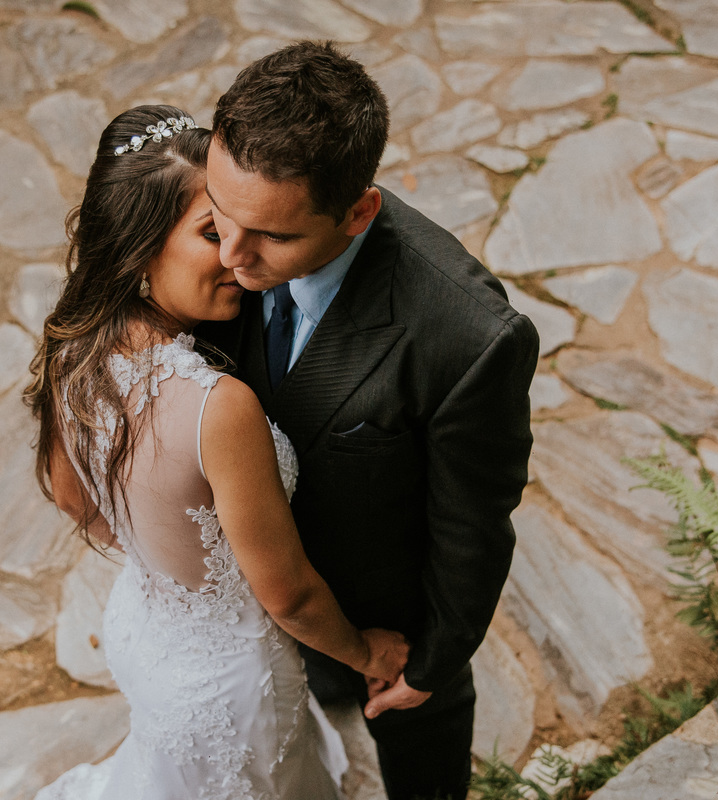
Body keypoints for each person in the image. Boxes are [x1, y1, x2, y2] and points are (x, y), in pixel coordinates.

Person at [25, 104, 410, 800]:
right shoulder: (217, 407)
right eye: (213, 233)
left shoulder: (73, 344)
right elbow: (286, 591)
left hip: (147, 632)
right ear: (142, 246)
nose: (238, 252)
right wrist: (366, 652)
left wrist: (164, 560)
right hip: (232, 681)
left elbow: (72, 496)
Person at [197, 42, 540, 800]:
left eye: (275, 237)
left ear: (359, 212)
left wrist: (429, 668)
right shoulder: (222, 223)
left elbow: (472, 526)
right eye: (219, 218)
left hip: (385, 620)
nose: (230, 256)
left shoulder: (468, 337)